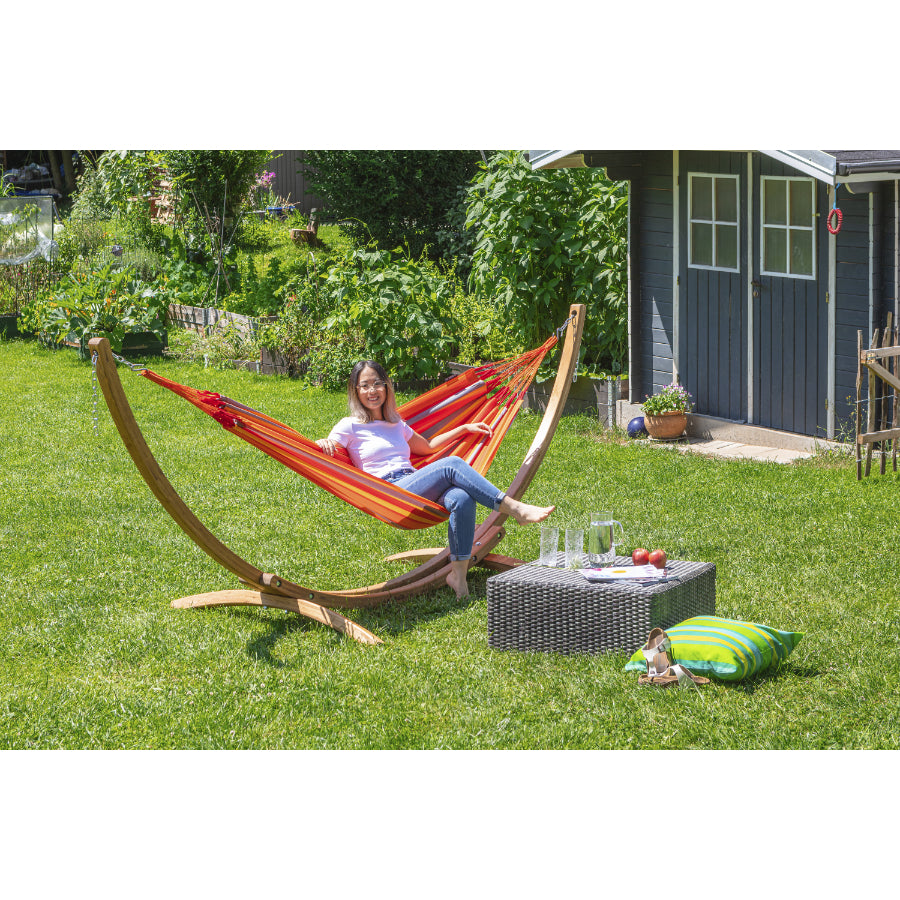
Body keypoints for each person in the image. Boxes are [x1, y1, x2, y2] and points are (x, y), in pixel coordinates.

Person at [317, 360, 555, 598]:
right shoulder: (349, 426)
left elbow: (428, 447)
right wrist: (323, 443)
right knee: (452, 464)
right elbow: (326, 449)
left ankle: (458, 577)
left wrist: (463, 429)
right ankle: (515, 509)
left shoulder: (395, 423)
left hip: (413, 483)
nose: (372, 391)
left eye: (377, 383)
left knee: (462, 498)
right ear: (356, 391)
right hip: (389, 492)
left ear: (387, 387)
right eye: (365, 385)